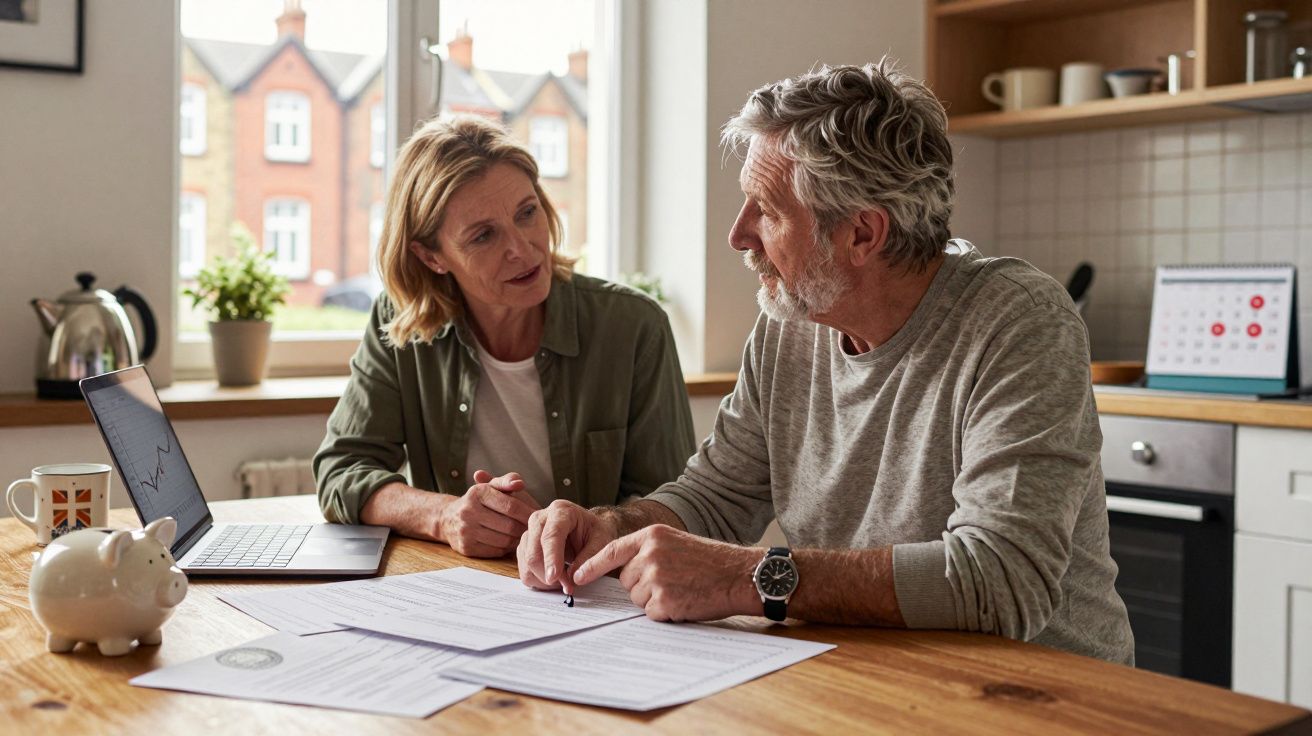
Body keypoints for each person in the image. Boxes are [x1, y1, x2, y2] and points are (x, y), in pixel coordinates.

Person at [517, 60, 1134, 664]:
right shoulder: (791, 322)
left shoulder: (1020, 320)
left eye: (768, 210)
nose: (738, 234)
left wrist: (749, 577)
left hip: (1044, 694)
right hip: (873, 675)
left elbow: (1002, 580)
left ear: (863, 235)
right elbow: (716, 495)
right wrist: (610, 527)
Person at [316, 115, 697, 559]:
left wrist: (582, 531)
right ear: (432, 255)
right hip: (465, 587)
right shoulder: (403, 326)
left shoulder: (633, 326)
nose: (522, 248)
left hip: (596, 590)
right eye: (483, 235)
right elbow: (341, 471)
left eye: (527, 213)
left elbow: (674, 505)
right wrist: (444, 516)